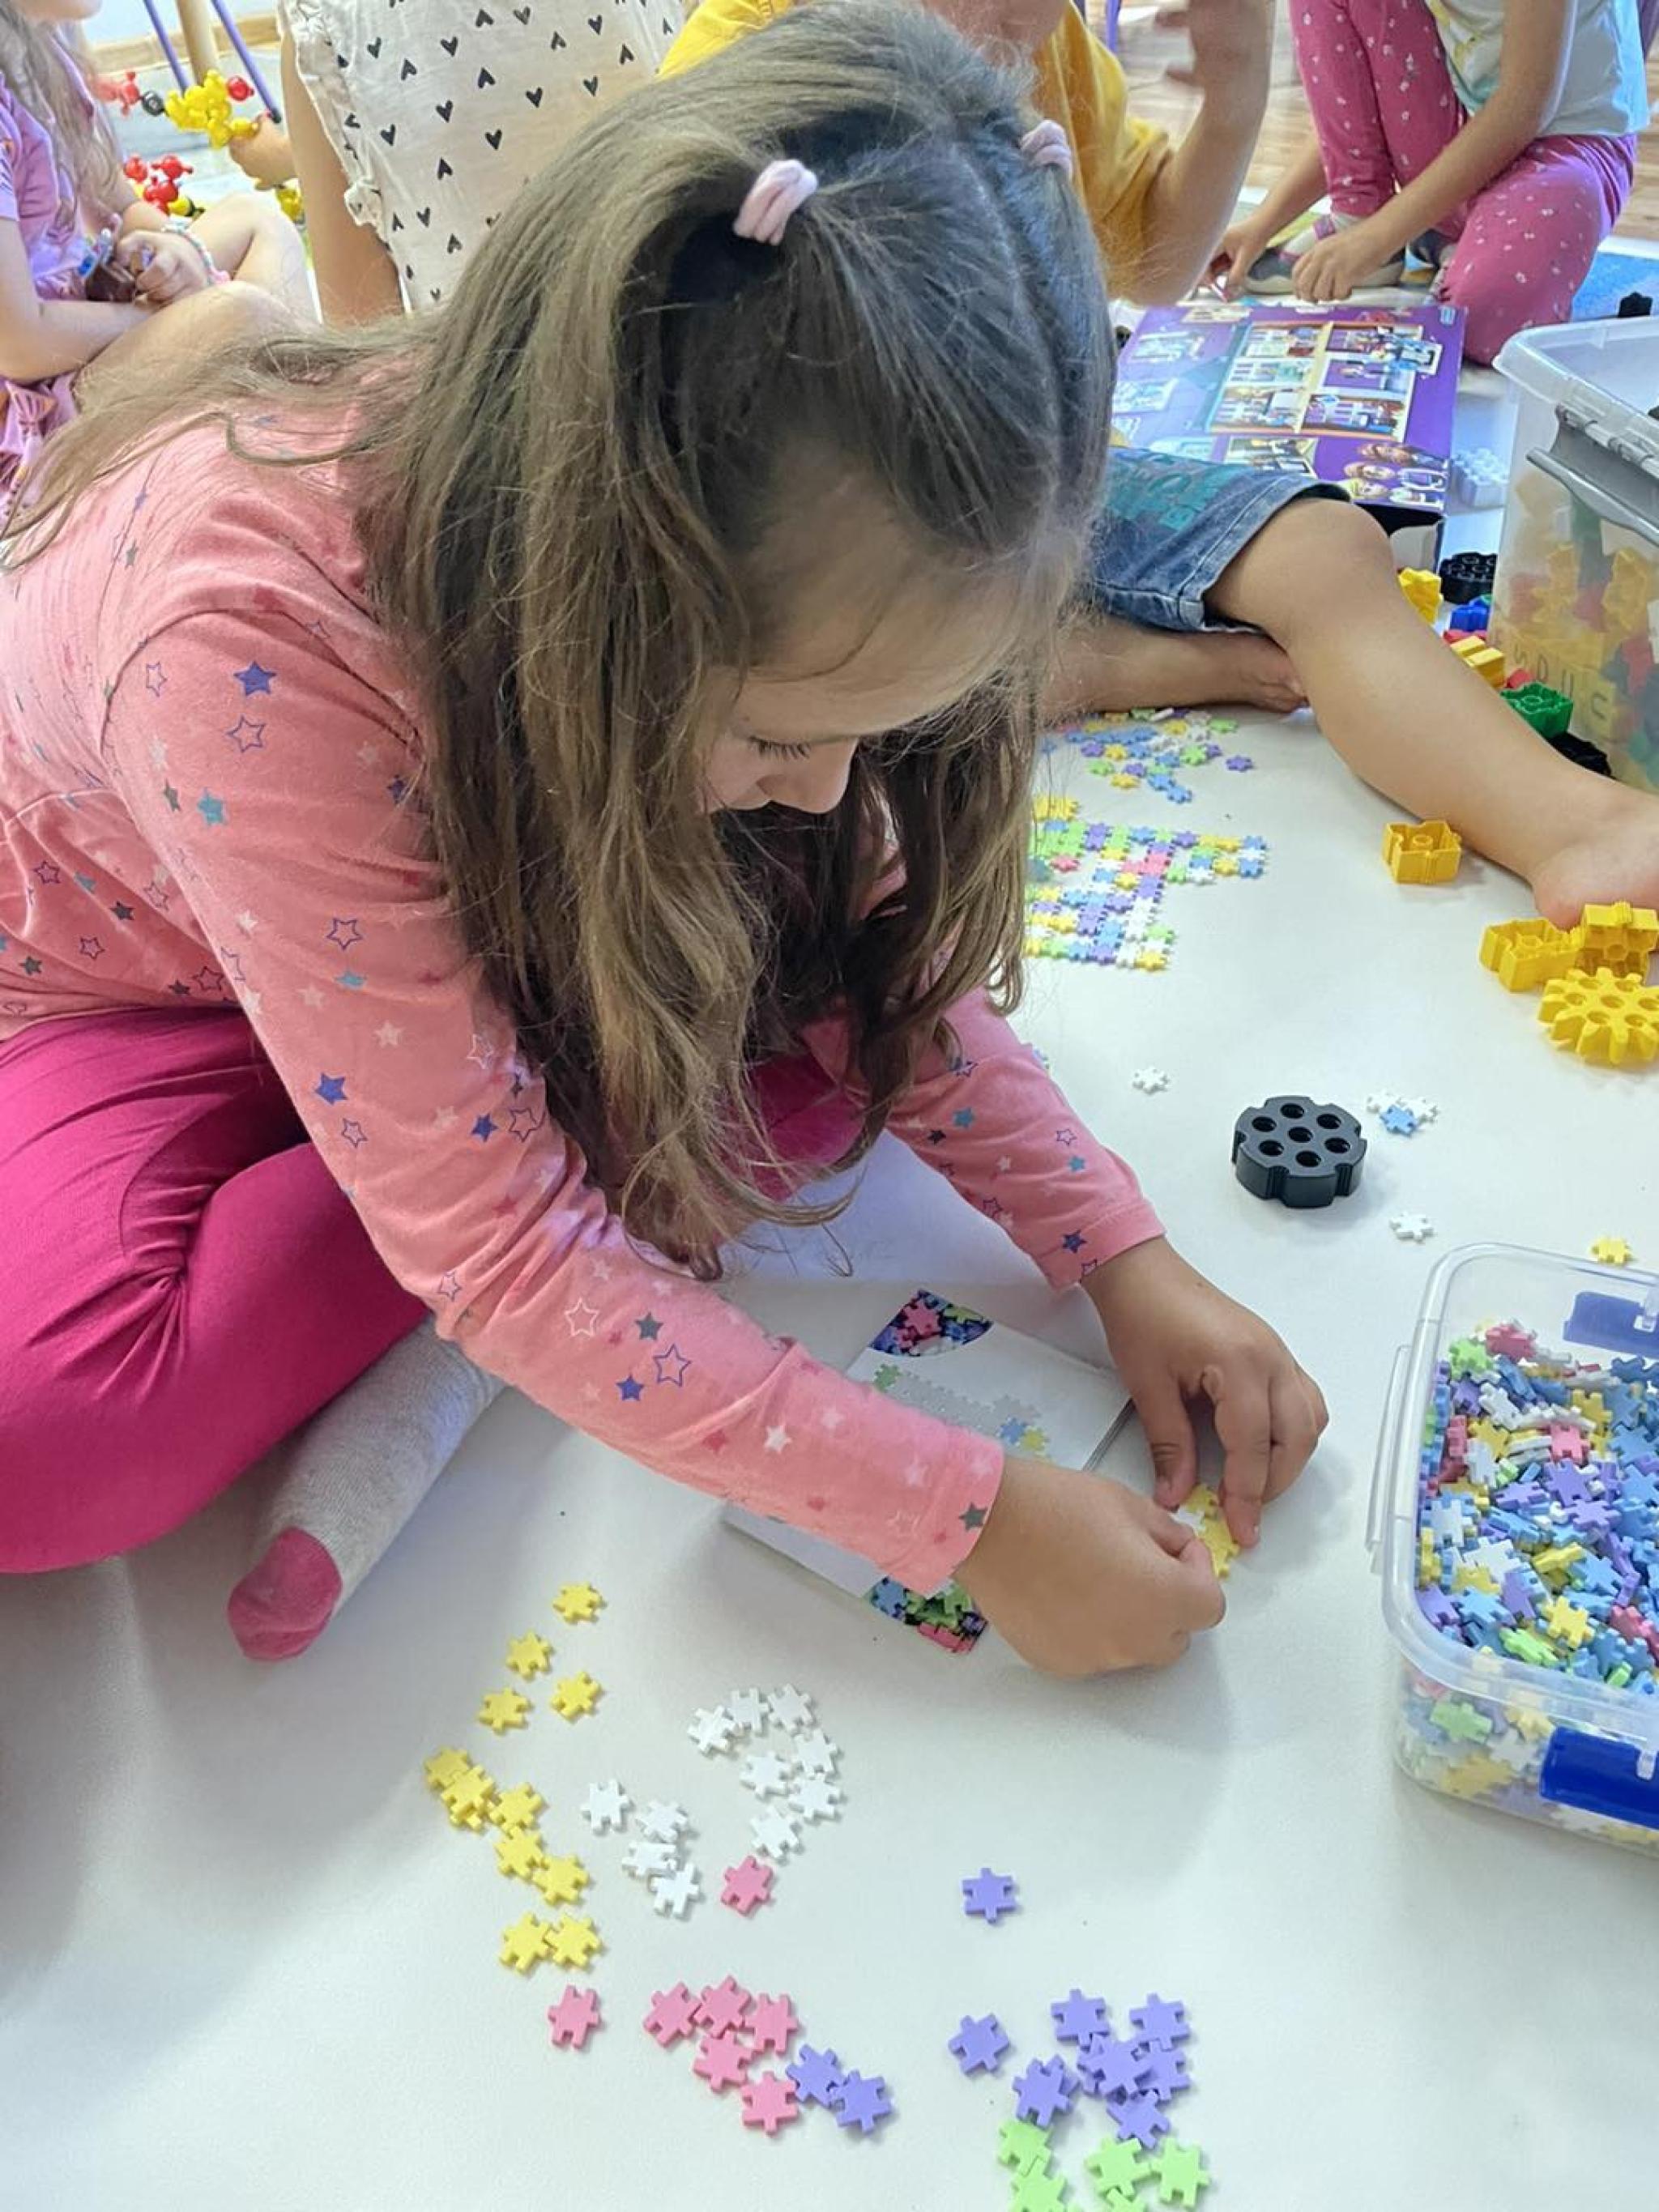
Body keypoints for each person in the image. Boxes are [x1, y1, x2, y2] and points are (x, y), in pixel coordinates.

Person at [0, 2, 1327, 1673]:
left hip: (466, 900)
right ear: (609, 580)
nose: (832, 795)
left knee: (820, 988)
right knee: (45, 1440)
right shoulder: (240, 631)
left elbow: (870, 929)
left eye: (867, 735)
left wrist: (1122, 1255)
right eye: (781, 734)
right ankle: (493, 1151)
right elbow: (502, 1247)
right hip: (126, 992)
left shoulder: (672, 568)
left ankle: (489, 1139)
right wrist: (965, 1519)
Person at [667, 0, 1659, 920]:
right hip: (815, 533)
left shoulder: (1058, 52)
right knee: (857, 680)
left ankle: (1577, 826)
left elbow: (1153, 264)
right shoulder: (760, 50)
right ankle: (1105, 661)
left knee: (1325, 545)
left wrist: (1231, 100)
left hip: (1036, 487)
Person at [0, 0, 310, 527]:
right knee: (240, 315)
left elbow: (121, 206)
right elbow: (19, 344)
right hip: (34, 409)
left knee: (257, 221)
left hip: (88, 333)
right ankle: (294, 463)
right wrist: (163, 314)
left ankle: (291, 452)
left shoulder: (45, 46)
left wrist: (171, 249)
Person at [1215, 0, 1651, 365]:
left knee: (1483, 322)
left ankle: (1441, 234)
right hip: (1469, 135)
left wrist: (1378, 236)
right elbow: (1368, 104)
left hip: (1571, 147)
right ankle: (1372, 215)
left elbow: (1525, 106)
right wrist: (1263, 224)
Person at [278, 0, 678, 320]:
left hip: (498, 396)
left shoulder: (323, 29)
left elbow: (362, 358)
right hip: (696, 368)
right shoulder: (324, 32)